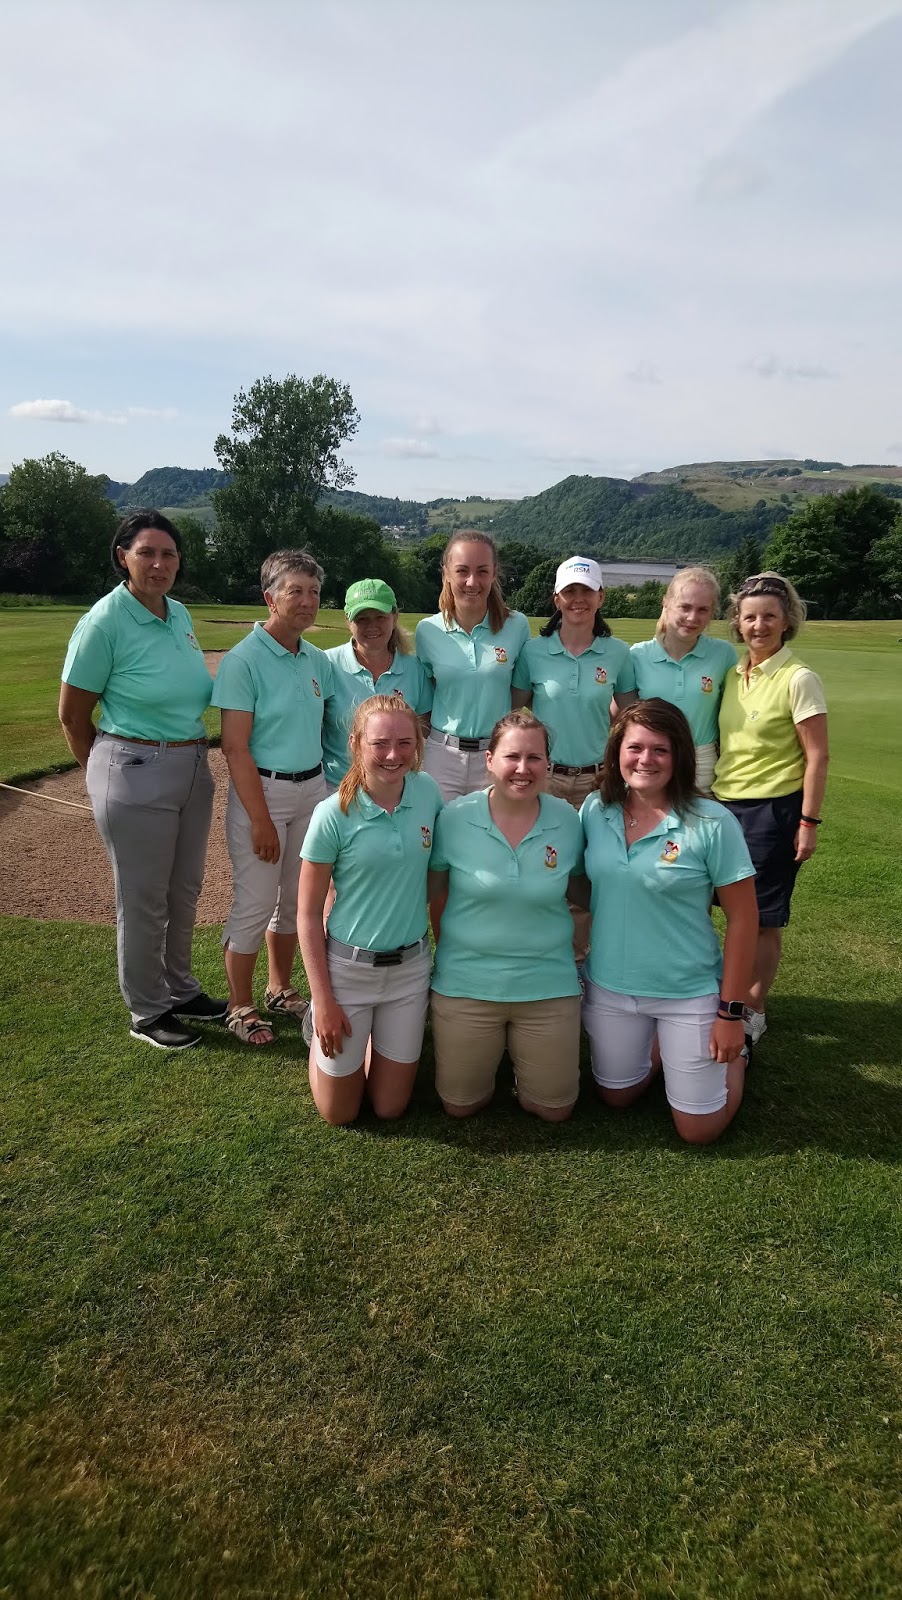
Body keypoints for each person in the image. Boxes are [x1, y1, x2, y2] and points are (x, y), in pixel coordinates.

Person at [59, 510, 225, 1050]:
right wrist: (104, 778)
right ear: (122, 557)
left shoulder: (176, 613)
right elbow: (72, 714)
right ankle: (147, 1010)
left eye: (168, 554)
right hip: (133, 767)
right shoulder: (104, 621)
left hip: (191, 766)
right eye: (146, 553)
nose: (159, 563)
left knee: (184, 890)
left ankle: (180, 989)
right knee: (143, 897)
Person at [580, 699, 758, 1145]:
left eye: (660, 749)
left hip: (690, 994)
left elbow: (743, 919)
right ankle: (668, 1047)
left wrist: (731, 1013)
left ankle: (737, 1054)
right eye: (634, 747)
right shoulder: (593, 812)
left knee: (698, 1130)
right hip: (610, 988)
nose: (645, 760)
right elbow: (581, 889)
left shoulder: (712, 822)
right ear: (616, 751)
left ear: (678, 755)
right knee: (616, 1096)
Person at [428, 711, 585, 1122]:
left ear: (548, 764)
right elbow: (434, 891)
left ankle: (522, 1065)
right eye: (512, 756)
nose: (522, 768)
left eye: (534, 758)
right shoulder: (455, 818)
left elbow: (586, 888)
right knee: (460, 1106)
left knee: (554, 1109)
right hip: (467, 982)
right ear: (490, 760)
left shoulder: (568, 820)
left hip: (547, 984)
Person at [297, 696, 442, 1125]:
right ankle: (318, 1034)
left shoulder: (428, 792)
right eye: (380, 743)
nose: (393, 755)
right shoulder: (332, 814)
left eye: (404, 742)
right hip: (348, 973)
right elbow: (306, 915)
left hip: (410, 971)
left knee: (389, 1107)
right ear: (357, 743)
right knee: (339, 1113)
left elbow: (437, 878)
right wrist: (323, 1001)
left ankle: (366, 1045)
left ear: (418, 743)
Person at [212, 550, 333, 1045]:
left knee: (296, 898)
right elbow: (234, 746)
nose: (306, 602)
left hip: (312, 791)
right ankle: (239, 1007)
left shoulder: (317, 659)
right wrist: (260, 820)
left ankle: (279, 989)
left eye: (314, 592)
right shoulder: (243, 660)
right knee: (255, 901)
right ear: (269, 598)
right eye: (295, 591)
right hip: (263, 793)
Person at [713, 572, 829, 1051]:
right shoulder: (733, 673)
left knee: (761, 918)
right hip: (722, 806)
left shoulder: (798, 678)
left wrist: (808, 822)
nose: (758, 625)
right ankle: (721, 993)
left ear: (787, 621)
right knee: (714, 907)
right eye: (750, 617)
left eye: (769, 617)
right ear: (738, 624)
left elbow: (818, 755)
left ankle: (753, 1008)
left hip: (772, 812)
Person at [415, 530, 530, 801]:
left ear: (494, 573)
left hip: (497, 753)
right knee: (440, 835)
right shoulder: (427, 631)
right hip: (442, 755)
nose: (471, 582)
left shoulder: (517, 626)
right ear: (446, 573)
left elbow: (519, 692)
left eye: (482, 571)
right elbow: (429, 694)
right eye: (462, 571)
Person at [631, 567, 737, 793]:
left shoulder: (723, 654)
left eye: (702, 610)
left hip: (702, 763)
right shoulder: (636, 656)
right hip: (649, 760)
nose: (692, 618)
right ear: (666, 604)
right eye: (685, 607)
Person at [321, 578, 432, 792]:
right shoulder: (326, 664)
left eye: (380, 617)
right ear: (347, 620)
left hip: (396, 788)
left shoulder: (414, 669)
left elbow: (423, 728)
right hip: (337, 787)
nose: (371, 626)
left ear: (394, 616)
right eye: (361, 619)